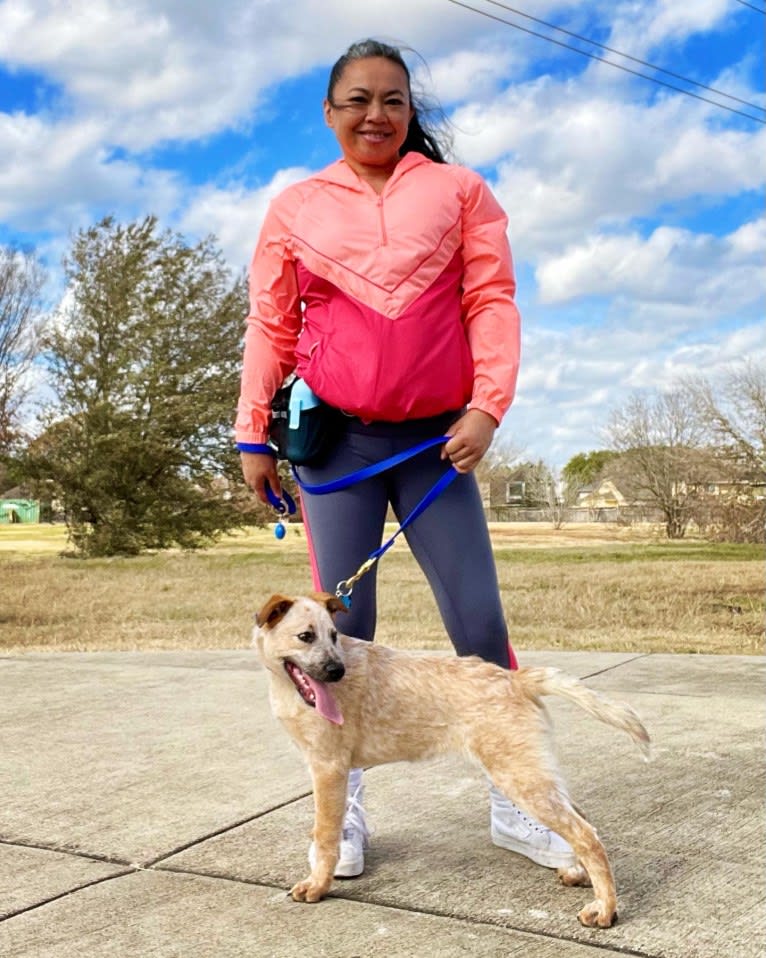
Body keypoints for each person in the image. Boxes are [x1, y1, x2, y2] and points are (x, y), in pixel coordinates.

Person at [236, 38, 575, 878]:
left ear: (411, 111)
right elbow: (270, 324)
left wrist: (487, 406)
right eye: (357, 100)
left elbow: (492, 299)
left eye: (392, 100)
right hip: (337, 446)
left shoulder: (459, 193)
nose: (375, 115)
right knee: (340, 631)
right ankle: (341, 811)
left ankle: (515, 799)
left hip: (437, 445)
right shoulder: (295, 207)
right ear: (329, 112)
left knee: (479, 621)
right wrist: (252, 431)